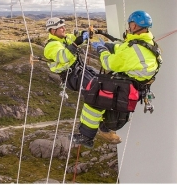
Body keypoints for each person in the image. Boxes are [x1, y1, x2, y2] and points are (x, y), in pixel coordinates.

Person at [70, 10, 162, 149]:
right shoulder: (147, 42)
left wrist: (102, 49)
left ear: (135, 26)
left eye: (130, 24)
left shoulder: (135, 49)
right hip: (136, 84)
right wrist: (110, 46)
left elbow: (108, 63)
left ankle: (86, 136)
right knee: (104, 101)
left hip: (128, 85)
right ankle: (102, 128)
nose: (129, 27)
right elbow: (123, 48)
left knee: (94, 96)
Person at [44, 17, 97, 92]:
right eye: (61, 28)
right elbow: (64, 57)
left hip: (80, 69)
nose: (64, 29)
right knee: (96, 88)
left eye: (64, 26)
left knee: (102, 79)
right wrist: (75, 44)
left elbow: (76, 37)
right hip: (71, 77)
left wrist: (84, 34)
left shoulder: (65, 38)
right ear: (53, 31)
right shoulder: (51, 46)